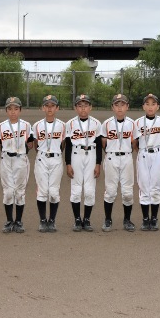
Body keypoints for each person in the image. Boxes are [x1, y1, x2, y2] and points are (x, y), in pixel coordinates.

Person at [0, 96, 33, 233]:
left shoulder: (26, 126)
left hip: (21, 159)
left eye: (16, 109)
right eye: (10, 109)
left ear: (20, 110)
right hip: (6, 159)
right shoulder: (0, 127)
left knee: (20, 191)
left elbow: (30, 143)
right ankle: (9, 220)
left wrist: (21, 150)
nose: (13, 111)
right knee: (8, 191)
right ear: (6, 110)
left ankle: (18, 221)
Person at [65, 94, 102, 232]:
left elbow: (99, 145)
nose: (83, 108)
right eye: (80, 106)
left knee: (90, 190)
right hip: (76, 154)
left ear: (90, 107)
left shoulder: (96, 123)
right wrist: (68, 163)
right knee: (76, 190)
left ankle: (86, 219)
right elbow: (68, 145)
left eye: (86, 105)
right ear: (76, 108)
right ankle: (77, 219)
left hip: (91, 155)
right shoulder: (70, 123)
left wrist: (98, 163)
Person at [100, 94, 136, 232]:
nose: (120, 108)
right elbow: (103, 142)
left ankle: (127, 220)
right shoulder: (107, 124)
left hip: (126, 157)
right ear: (112, 107)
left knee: (127, 192)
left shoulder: (132, 124)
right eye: (117, 105)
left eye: (122, 105)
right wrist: (111, 152)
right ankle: (108, 219)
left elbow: (134, 142)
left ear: (127, 107)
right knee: (110, 191)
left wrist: (126, 151)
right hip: (111, 157)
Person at [133, 93, 160, 231]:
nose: (150, 107)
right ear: (143, 106)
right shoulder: (137, 122)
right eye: (147, 104)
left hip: (158, 154)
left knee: (155, 186)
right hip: (143, 153)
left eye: (153, 104)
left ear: (158, 107)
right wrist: (141, 151)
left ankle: (154, 218)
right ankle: (145, 219)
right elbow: (134, 142)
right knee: (144, 186)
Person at [32, 95, 66, 233]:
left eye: (52, 106)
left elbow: (63, 144)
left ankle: (52, 220)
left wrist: (55, 153)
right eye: (47, 106)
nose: (49, 108)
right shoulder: (37, 125)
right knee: (42, 191)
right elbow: (35, 144)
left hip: (56, 158)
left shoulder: (62, 125)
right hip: (42, 158)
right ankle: (42, 220)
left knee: (53, 192)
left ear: (57, 108)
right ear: (43, 108)